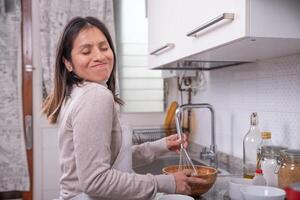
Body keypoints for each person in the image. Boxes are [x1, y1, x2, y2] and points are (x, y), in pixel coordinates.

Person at [42, 16, 206, 200]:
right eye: (86, 51)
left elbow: (110, 158)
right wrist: (167, 183)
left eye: (104, 48)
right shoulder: (94, 95)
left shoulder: (75, 94)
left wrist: (161, 146)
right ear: (68, 62)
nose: (99, 56)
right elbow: (96, 181)